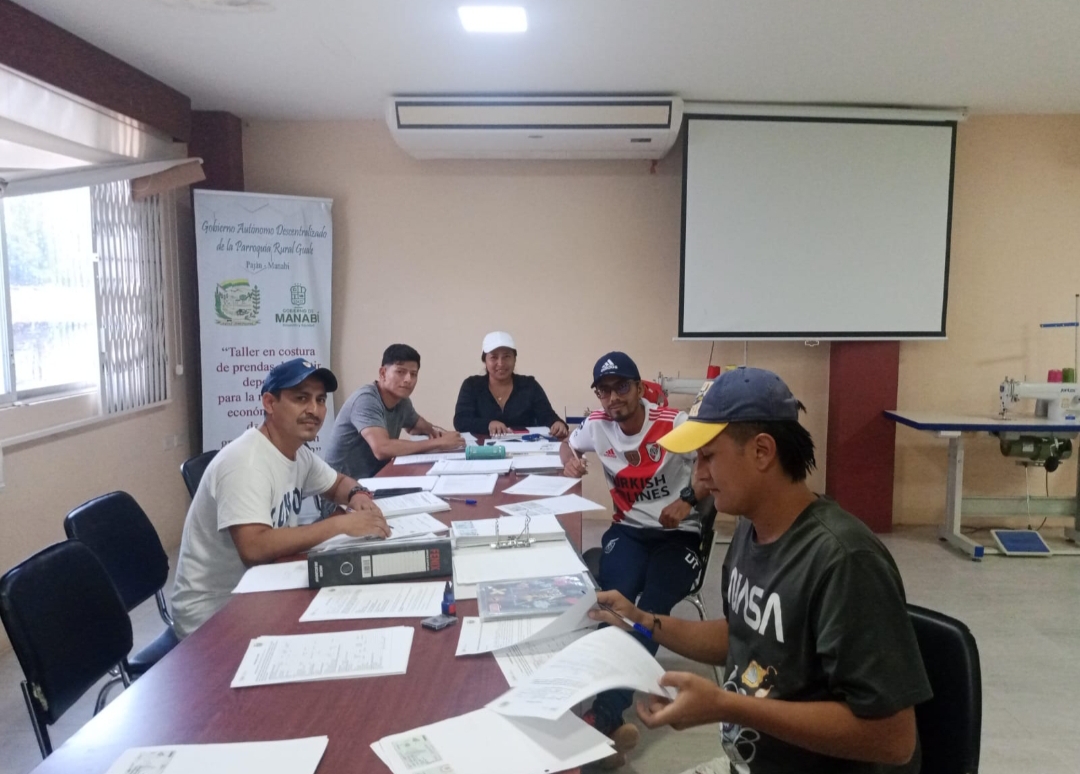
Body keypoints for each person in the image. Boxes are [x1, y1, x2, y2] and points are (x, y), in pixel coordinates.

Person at [591, 367, 932, 774]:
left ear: (762, 452)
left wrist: (727, 706)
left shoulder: (844, 560)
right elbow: (742, 634)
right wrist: (642, 621)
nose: (699, 476)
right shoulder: (750, 528)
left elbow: (893, 739)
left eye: (707, 457)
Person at [559, 351, 711, 769]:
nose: (613, 398)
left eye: (621, 387)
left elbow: (712, 466)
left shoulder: (673, 424)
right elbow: (566, 443)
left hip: (677, 536)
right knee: (614, 603)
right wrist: (568, 460)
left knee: (651, 612)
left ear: (640, 388)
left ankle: (603, 716)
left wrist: (687, 499)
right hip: (628, 531)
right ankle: (604, 722)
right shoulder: (597, 425)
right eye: (604, 391)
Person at [171, 358, 391, 638]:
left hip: (265, 584)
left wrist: (356, 494)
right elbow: (254, 547)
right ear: (269, 403)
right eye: (301, 398)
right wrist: (340, 525)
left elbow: (337, 483)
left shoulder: (296, 452)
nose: (314, 410)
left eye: (320, 400)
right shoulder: (246, 463)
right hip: (214, 614)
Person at [321, 344, 463, 514]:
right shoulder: (366, 400)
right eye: (400, 372)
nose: (408, 379)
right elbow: (382, 449)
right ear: (382, 373)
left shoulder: (402, 401)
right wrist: (438, 443)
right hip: (343, 496)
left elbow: (418, 426)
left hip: (376, 483)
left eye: (413, 374)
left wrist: (438, 433)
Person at [453, 331, 569, 439]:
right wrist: (488, 424)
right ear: (485, 360)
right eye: (494, 357)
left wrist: (556, 423)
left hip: (525, 448)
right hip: (483, 450)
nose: (500, 363)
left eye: (506, 356)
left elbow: (547, 415)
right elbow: (461, 421)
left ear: (514, 359)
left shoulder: (529, 385)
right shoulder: (471, 386)